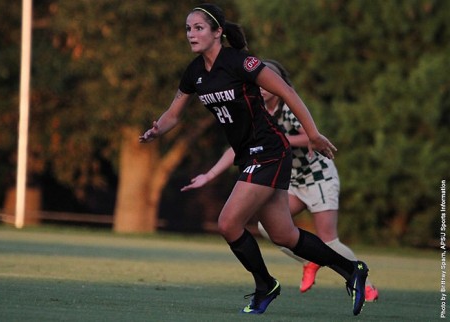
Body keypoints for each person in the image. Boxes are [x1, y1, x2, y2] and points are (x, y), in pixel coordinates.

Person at [139, 3, 369, 315]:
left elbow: (288, 92)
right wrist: (157, 129)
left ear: (218, 32)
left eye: (198, 28)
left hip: (270, 150)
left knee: (228, 223)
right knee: (284, 235)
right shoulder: (194, 72)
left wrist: (313, 134)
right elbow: (173, 114)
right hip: (251, 154)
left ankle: (265, 286)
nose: (191, 34)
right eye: (188, 29)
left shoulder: (240, 62)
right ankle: (352, 270)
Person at [181, 59, 379, 302]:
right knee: (272, 229)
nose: (261, 84)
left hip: (318, 177)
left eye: (266, 79)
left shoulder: (288, 109)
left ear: (278, 83)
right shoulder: (254, 110)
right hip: (291, 179)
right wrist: (210, 175)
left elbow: (310, 135)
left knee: (329, 238)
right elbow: (238, 147)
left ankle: (366, 286)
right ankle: (311, 261)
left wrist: (281, 138)